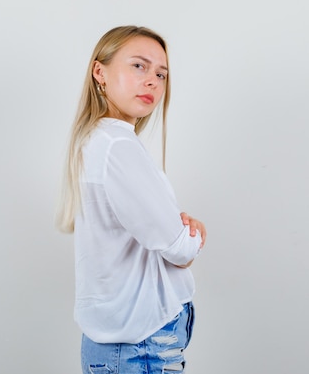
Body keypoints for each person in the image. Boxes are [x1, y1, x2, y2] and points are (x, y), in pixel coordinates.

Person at [55, 25, 207, 374]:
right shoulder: (118, 147)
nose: (152, 80)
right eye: (139, 66)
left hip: (125, 345)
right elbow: (179, 249)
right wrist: (197, 233)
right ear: (100, 72)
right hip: (140, 346)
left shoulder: (96, 141)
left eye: (161, 73)